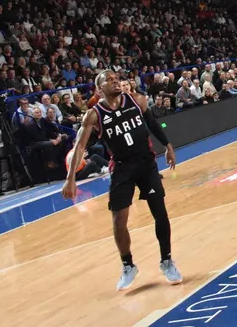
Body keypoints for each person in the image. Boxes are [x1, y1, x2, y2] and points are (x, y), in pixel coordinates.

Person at [62, 70, 182, 290]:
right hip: (121, 167)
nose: (114, 81)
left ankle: (167, 260)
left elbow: (153, 123)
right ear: (99, 90)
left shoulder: (137, 100)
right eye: (108, 80)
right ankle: (128, 265)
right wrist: (70, 179)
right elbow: (79, 146)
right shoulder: (94, 114)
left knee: (160, 212)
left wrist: (168, 146)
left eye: (116, 78)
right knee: (118, 219)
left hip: (146, 163)